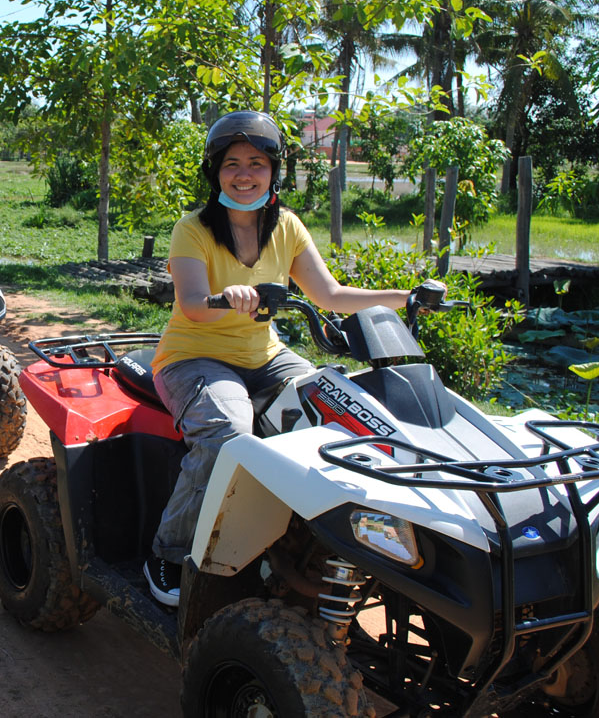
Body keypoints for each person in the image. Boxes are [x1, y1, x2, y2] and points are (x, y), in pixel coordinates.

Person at [142, 110, 444, 607]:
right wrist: (230, 298)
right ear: (214, 172)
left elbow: (329, 294)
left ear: (273, 171)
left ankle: (306, 542)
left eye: (256, 163)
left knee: (345, 416)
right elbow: (193, 306)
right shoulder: (192, 229)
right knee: (228, 438)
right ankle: (169, 552)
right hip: (193, 359)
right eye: (232, 163)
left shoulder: (286, 227)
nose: (244, 174)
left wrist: (405, 297)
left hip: (267, 356)